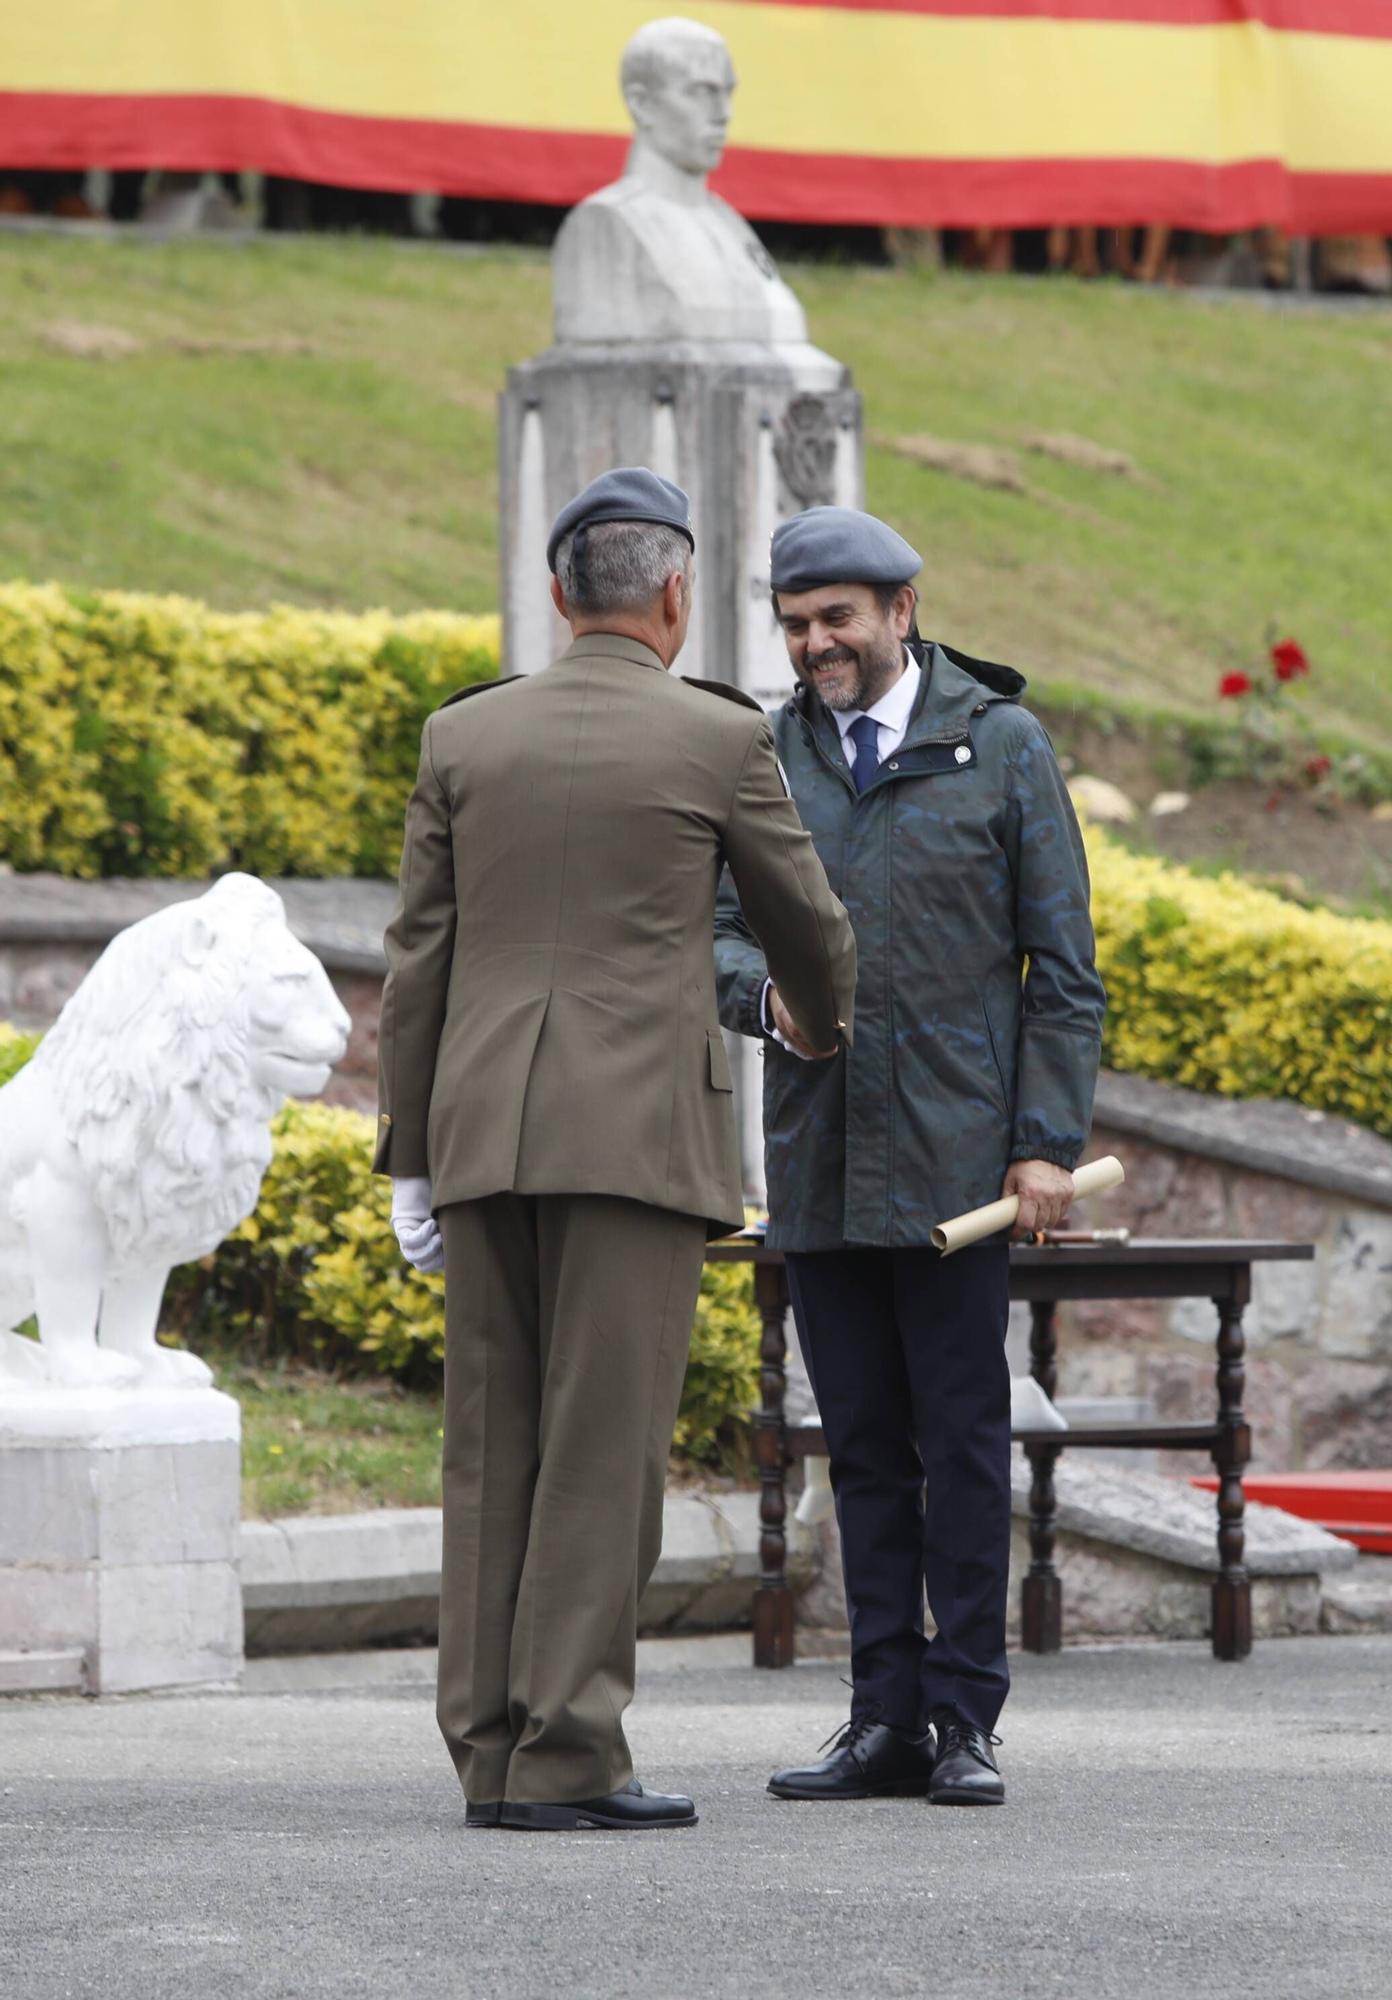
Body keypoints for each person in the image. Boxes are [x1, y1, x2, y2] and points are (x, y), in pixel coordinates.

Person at [378, 468, 856, 1833]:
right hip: (635, 1136)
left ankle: (488, 1751)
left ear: (556, 594)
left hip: (481, 1130)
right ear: (674, 594)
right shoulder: (717, 736)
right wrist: (816, 1022)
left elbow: (419, 959)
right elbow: (806, 922)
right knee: (602, 1451)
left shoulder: (464, 735)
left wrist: (410, 1153)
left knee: (491, 1450)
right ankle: (569, 1754)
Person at [714, 506, 1105, 1807]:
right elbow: (709, 934)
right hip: (819, 1160)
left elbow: (1063, 971)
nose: (816, 642)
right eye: (795, 623)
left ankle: (965, 1719)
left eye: (838, 617)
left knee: (964, 1444)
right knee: (866, 1449)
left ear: (902, 609)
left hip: (958, 1172)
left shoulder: (1002, 747)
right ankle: (881, 1717)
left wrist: (1043, 1145)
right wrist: (759, 998)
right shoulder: (767, 755)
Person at [551, 16, 807, 344]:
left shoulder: (729, 223)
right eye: (702, 92)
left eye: (727, 93)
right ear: (642, 104)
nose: (724, 112)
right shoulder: (604, 223)